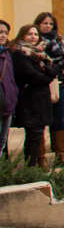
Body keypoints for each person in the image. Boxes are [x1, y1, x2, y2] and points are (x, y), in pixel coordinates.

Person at [10, 25, 60, 167]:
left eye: (36, 34)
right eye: (29, 34)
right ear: (22, 36)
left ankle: (33, 165)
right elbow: (34, 76)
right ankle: (30, 167)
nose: (33, 37)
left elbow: (54, 68)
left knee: (36, 135)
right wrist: (49, 74)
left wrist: (49, 72)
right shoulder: (20, 54)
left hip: (41, 99)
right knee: (33, 135)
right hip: (29, 101)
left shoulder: (38, 54)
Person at [34, 13, 64, 167]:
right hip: (42, 85)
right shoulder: (34, 40)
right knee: (42, 120)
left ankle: (60, 155)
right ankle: (41, 157)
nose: (48, 26)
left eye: (50, 24)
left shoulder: (59, 39)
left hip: (61, 83)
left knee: (60, 119)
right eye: (44, 23)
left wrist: (53, 66)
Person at [0, 20, 17, 157]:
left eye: (5, 33)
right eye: (0, 32)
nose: (3, 35)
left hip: (7, 104)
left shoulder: (7, 54)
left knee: (2, 141)